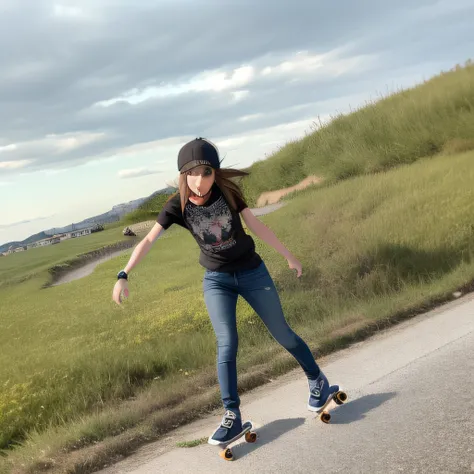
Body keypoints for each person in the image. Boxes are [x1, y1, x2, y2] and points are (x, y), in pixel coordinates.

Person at [112, 137, 340, 444]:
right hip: (217, 280)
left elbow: (256, 227)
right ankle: (232, 416)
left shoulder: (229, 191)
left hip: (251, 272)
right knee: (226, 343)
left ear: (214, 173)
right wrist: (124, 273)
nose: (201, 181)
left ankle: (317, 381)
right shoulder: (176, 206)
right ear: (183, 174)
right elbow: (149, 240)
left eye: (207, 173)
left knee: (282, 332)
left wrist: (288, 255)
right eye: (194, 173)